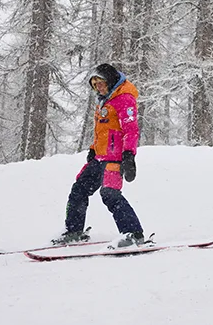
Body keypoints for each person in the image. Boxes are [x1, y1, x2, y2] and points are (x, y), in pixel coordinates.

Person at [52, 63, 145, 247]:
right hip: (99, 157)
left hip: (115, 159)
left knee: (110, 194)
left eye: (101, 83)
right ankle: (74, 231)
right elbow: (102, 130)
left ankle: (134, 233)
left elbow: (131, 130)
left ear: (110, 81)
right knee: (79, 189)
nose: (98, 87)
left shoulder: (124, 99)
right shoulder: (104, 100)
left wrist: (129, 155)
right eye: (95, 84)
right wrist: (93, 149)